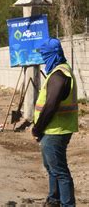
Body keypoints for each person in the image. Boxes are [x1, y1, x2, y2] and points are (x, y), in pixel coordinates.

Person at [32, 38, 78, 207]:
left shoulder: (59, 75)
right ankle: (54, 200)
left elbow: (50, 106)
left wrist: (38, 129)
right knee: (52, 167)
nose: (43, 58)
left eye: (45, 54)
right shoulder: (59, 71)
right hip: (54, 129)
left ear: (53, 54)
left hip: (55, 130)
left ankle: (67, 204)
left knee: (59, 171)